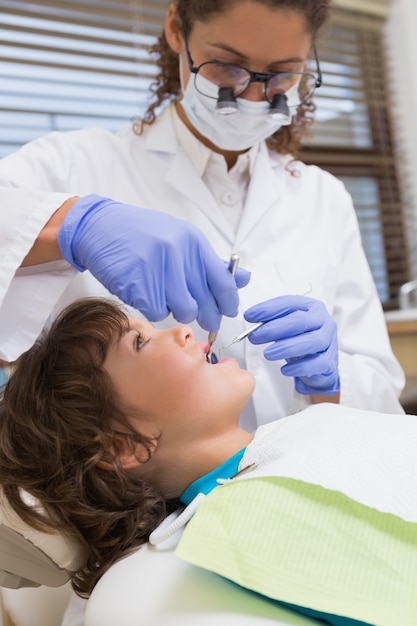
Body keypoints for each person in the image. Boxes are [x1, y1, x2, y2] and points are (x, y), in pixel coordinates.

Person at [0, 0, 405, 429]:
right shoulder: (76, 164)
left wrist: (331, 380)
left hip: (293, 483)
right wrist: (75, 224)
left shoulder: (324, 197)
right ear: (176, 29)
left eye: (284, 73)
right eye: (229, 66)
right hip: (125, 493)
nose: (252, 96)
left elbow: (381, 399)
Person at [0, 297, 415, 626]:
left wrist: (328, 397)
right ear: (124, 445)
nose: (183, 330)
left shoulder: (307, 432)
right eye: (140, 342)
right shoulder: (243, 524)